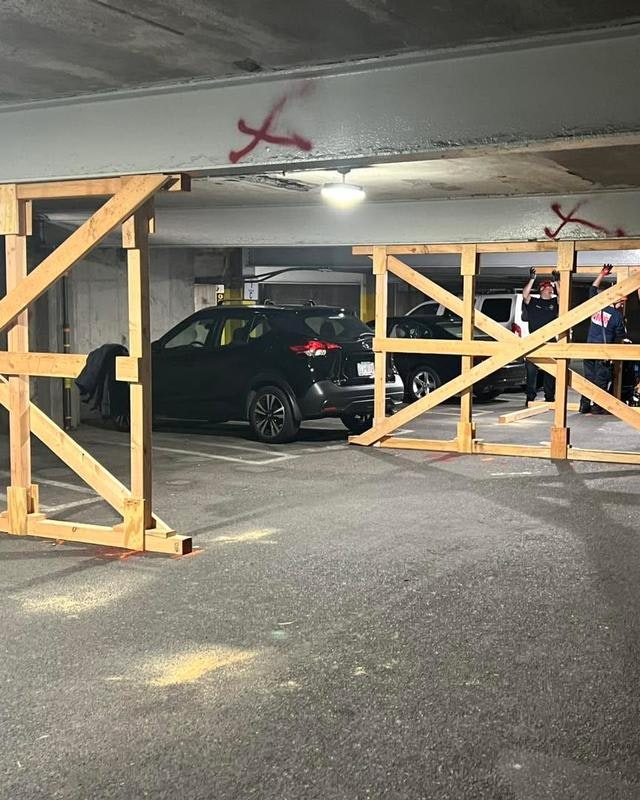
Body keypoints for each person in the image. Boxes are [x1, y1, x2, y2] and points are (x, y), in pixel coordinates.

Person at [580, 264, 627, 414]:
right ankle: (597, 406)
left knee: (588, 379)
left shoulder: (597, 306)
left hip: (589, 349)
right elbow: (620, 335)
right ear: (617, 302)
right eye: (621, 302)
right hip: (603, 352)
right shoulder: (617, 316)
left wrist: (602, 274)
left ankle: (584, 405)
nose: (622, 304)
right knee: (601, 380)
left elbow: (592, 289)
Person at [522, 267, 560, 405]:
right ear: (542, 289)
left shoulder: (554, 303)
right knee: (531, 371)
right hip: (534, 341)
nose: (551, 290)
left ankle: (549, 397)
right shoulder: (533, 302)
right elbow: (525, 295)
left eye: (552, 288)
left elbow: (562, 297)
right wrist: (532, 279)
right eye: (549, 287)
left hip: (550, 341)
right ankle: (530, 397)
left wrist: (557, 282)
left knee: (551, 371)